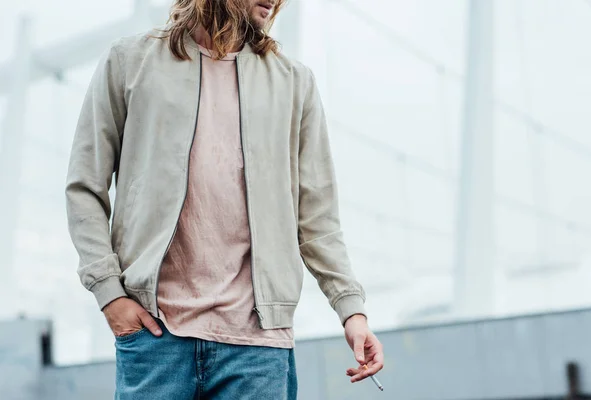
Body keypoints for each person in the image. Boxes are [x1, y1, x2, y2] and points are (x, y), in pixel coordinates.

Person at [65, 0, 384, 398]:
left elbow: (316, 217)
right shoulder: (130, 62)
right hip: (155, 336)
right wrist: (109, 294)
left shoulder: (294, 83)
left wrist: (351, 310)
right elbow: (84, 187)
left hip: (258, 347)